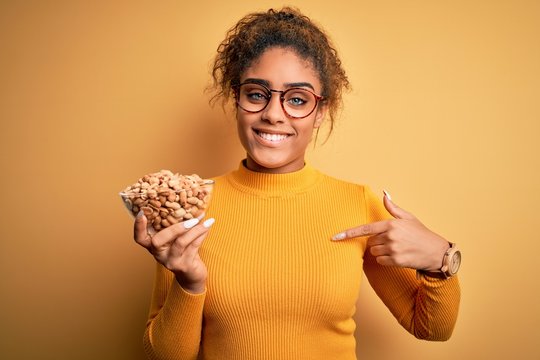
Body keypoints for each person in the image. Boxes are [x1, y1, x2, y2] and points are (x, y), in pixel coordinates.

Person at [133, 7, 461, 360]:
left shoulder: (357, 203)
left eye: (297, 100)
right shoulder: (192, 205)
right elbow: (164, 357)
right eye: (257, 94)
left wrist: (440, 259)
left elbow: (432, 329)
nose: (274, 113)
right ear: (237, 98)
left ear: (321, 111)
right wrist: (188, 283)